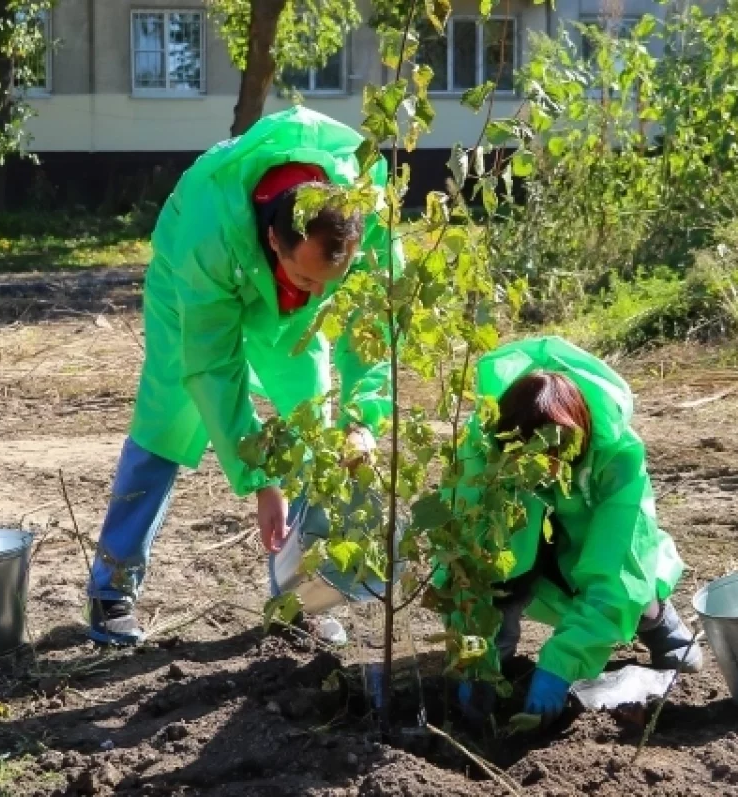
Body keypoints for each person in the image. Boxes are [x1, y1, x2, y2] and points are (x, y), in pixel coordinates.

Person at [85, 107, 399, 646]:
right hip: (194, 287)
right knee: (169, 421)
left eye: (331, 282)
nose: (319, 295)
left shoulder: (360, 217)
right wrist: (262, 480)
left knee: (314, 420)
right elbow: (213, 369)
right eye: (306, 277)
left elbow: (373, 325)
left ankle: (295, 595)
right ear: (276, 242)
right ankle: (112, 587)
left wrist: (362, 418)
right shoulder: (211, 231)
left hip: (283, 314)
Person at [441, 336, 702, 722]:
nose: (543, 468)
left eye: (555, 454)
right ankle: (496, 662)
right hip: (522, 560)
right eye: (528, 455)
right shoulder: (482, 457)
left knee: (637, 590)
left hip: (592, 558)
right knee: (495, 587)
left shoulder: (618, 460)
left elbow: (619, 572)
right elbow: (463, 564)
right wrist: (473, 656)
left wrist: (562, 663)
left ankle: (660, 623)